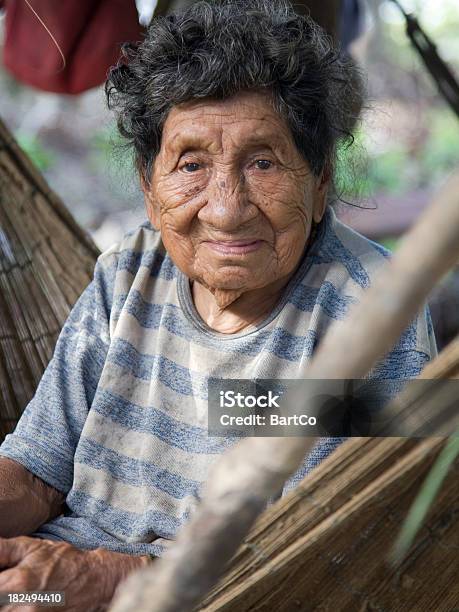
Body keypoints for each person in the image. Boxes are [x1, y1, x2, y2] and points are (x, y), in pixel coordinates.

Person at [0, 0, 436, 608]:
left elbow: (314, 554)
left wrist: (101, 577)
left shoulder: (370, 316)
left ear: (320, 183)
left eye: (263, 162)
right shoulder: (128, 273)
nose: (227, 208)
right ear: (150, 190)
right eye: (191, 164)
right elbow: (36, 471)